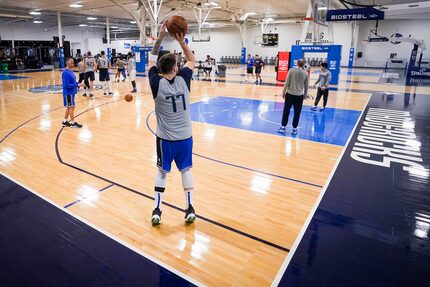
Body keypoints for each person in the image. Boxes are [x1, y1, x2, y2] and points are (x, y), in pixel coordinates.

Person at [148, 22, 197, 225]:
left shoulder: (156, 83)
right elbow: (192, 59)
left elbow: (151, 60)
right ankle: (190, 207)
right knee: (186, 170)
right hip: (185, 137)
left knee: (161, 172)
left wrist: (159, 39)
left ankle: (158, 209)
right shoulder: (184, 79)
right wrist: (181, 41)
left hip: (166, 140)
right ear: (176, 68)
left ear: (160, 69)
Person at [277, 59, 309, 135]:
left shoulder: (291, 70)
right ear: (304, 64)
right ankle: (294, 129)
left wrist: (283, 92)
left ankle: (283, 127)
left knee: (286, 111)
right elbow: (306, 86)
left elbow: (287, 82)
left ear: (297, 63)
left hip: (290, 95)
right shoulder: (305, 73)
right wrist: (304, 95)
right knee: (297, 112)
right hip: (299, 96)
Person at [61, 58, 85, 128]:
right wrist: (77, 85)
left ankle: (65, 121)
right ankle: (72, 123)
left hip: (71, 92)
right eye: (71, 62)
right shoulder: (65, 73)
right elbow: (66, 85)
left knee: (70, 107)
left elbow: (73, 82)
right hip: (68, 93)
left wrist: (79, 83)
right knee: (71, 107)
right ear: (67, 63)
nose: (73, 64)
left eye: (73, 63)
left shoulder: (70, 71)